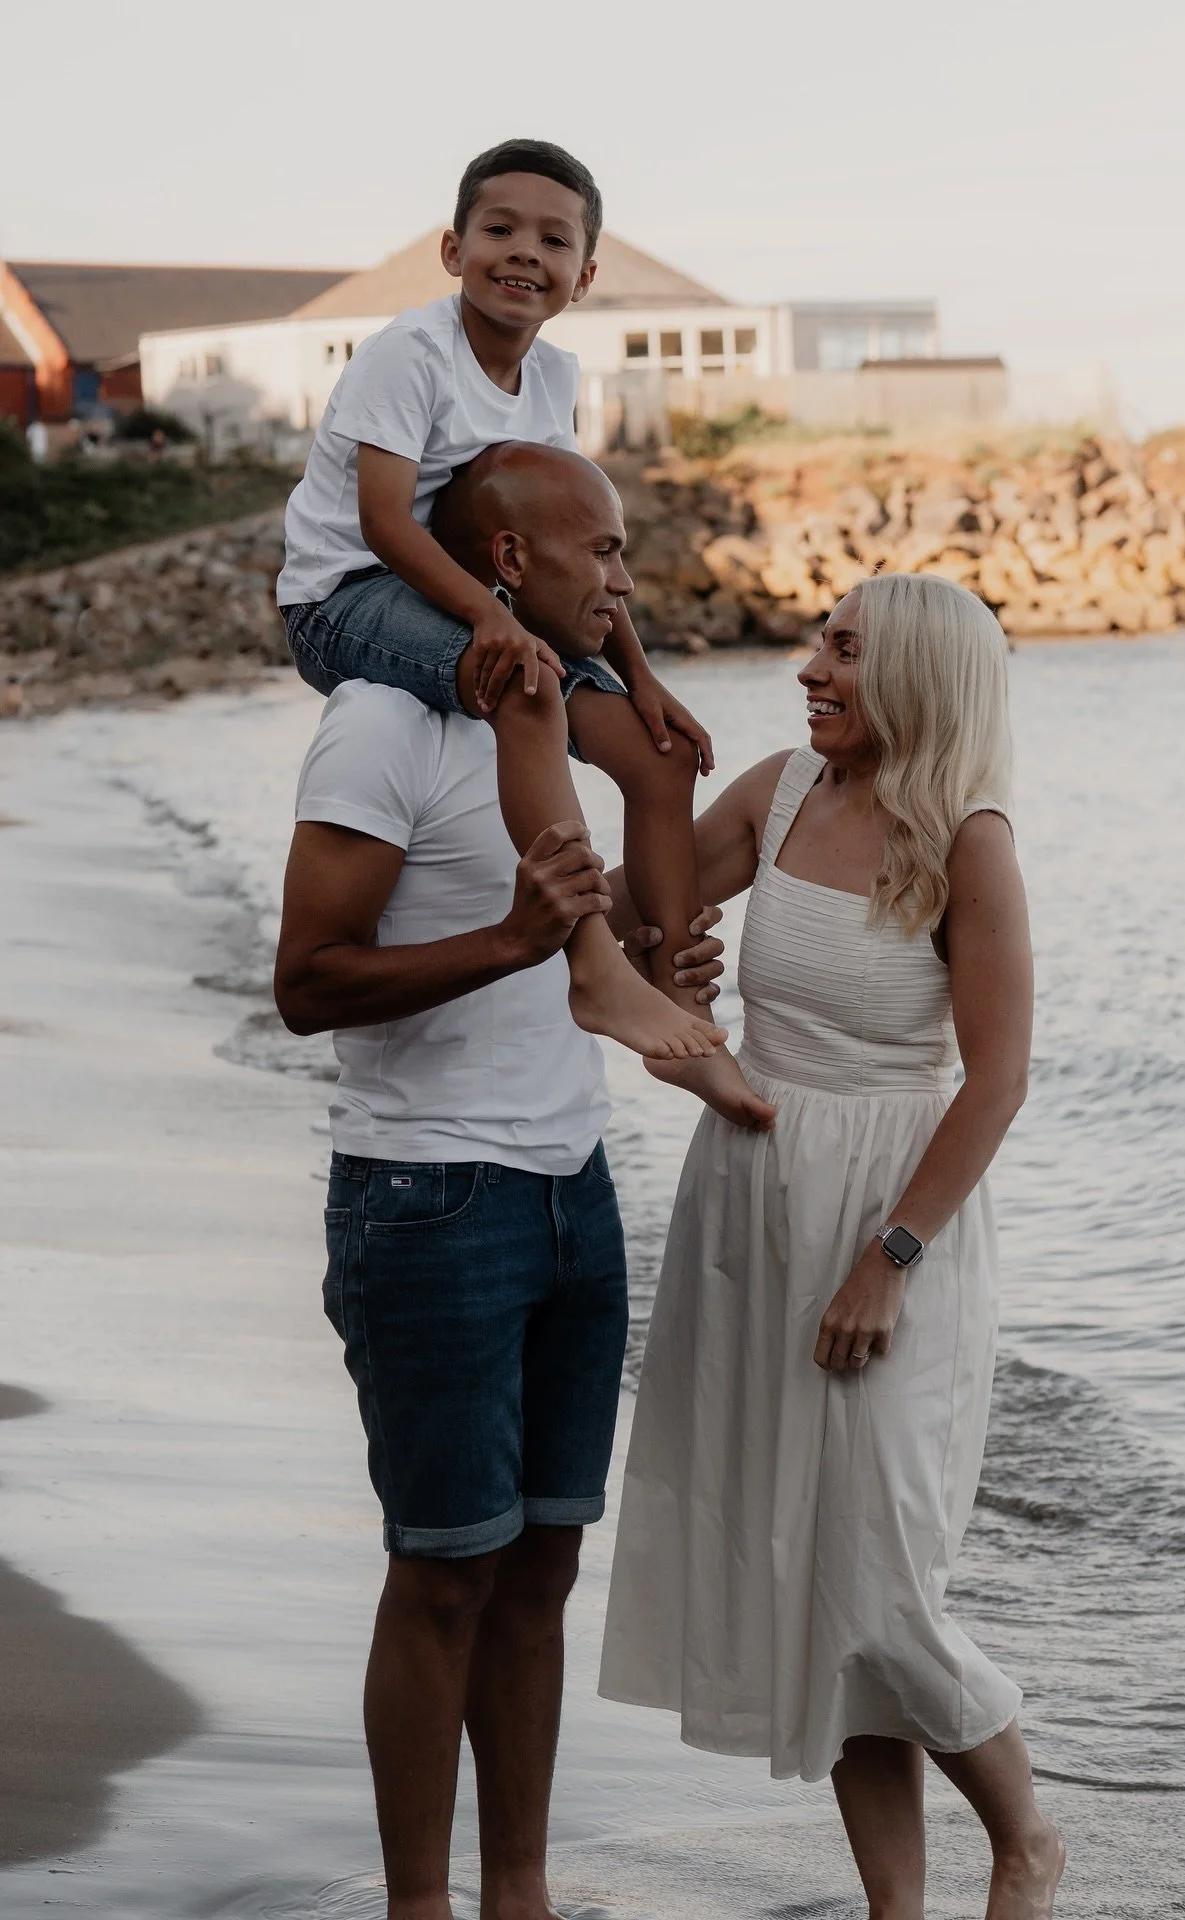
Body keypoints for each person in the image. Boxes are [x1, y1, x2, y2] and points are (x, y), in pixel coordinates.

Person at [271, 452, 726, 1920]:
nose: (622, 581)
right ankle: (420, 1904)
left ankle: (518, 1894)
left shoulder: (555, 728)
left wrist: (663, 967)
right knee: (445, 1575)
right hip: (427, 1202)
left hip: (571, 1187)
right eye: (601, 552)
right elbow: (306, 982)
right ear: (510, 563)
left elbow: (589, 948)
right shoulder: (379, 724)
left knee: (540, 1572)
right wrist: (516, 942)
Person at [599, 574, 1066, 1920]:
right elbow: (642, 904)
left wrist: (891, 1258)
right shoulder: (780, 789)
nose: (810, 665)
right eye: (817, 640)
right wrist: (651, 928)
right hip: (751, 1198)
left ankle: (1026, 1835)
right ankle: (894, 1911)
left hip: (895, 1220)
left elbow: (998, 1080)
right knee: (825, 1591)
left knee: (878, 1582)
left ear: (913, 676)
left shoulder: (971, 842)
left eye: (842, 650)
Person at [278, 136, 720, 1067]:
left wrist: (640, 675)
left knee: (660, 754)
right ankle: (596, 968)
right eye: (501, 229)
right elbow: (387, 524)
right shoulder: (408, 355)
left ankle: (673, 975)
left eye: (554, 240)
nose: (526, 251)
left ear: (584, 275)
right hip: (346, 596)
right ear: (453, 250)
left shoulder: (554, 377)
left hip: (475, 594)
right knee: (528, 685)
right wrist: (494, 620)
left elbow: (576, 542)